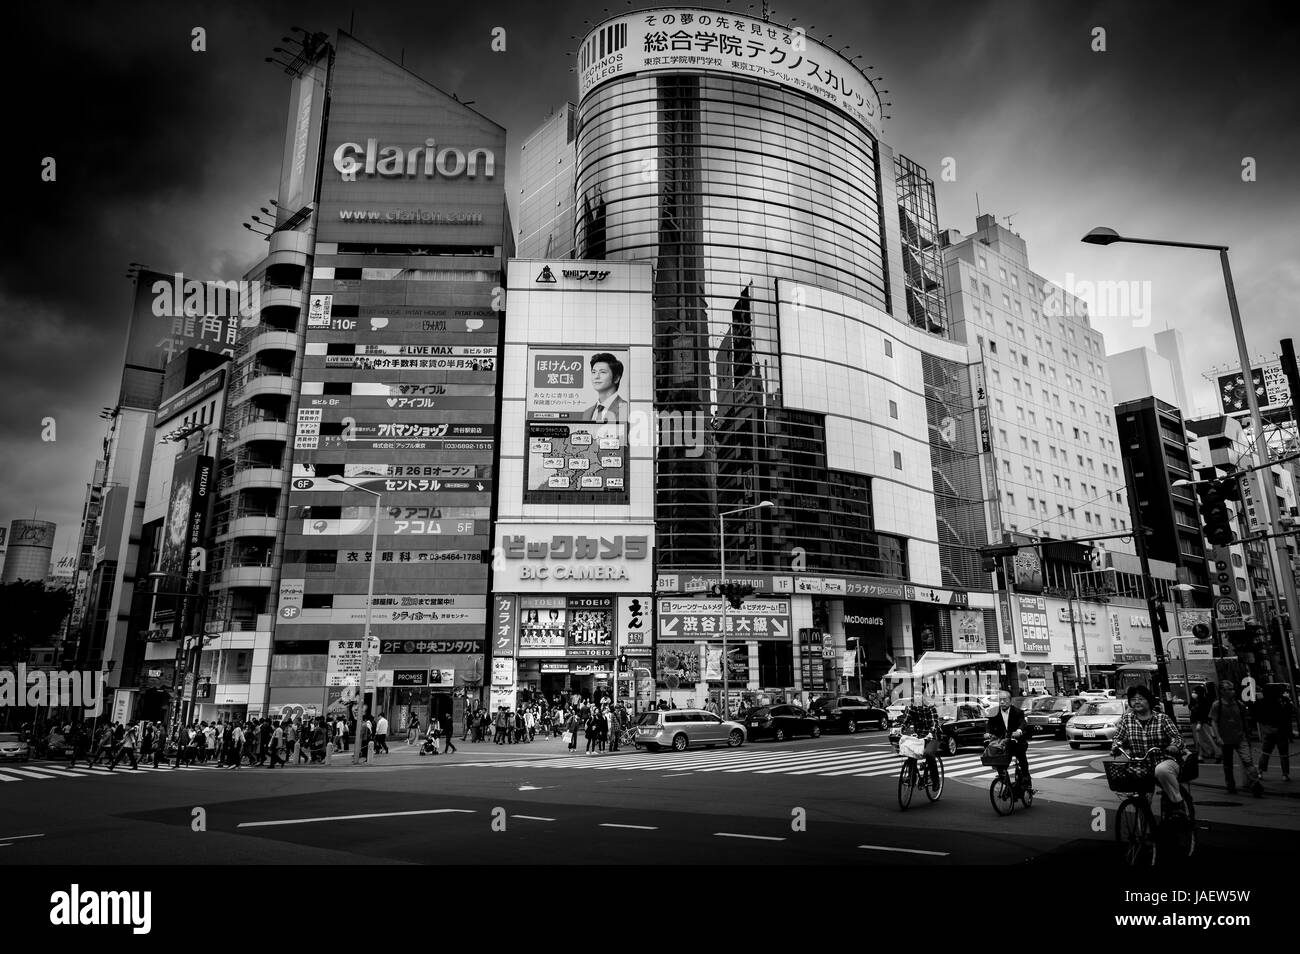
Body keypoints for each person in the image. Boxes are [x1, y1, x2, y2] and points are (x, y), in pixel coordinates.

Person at [1111, 685, 1190, 817]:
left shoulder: (1162, 718)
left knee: (1162, 770)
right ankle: (1144, 829)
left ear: (1149, 701)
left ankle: (1177, 803)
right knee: (1140, 798)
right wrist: (1116, 746)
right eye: (1133, 699)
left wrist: (1174, 746)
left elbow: (1177, 738)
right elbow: (1119, 738)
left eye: (1141, 699)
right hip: (1139, 764)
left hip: (1164, 760)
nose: (1137, 702)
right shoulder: (1127, 719)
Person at [1208, 680, 1263, 796]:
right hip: (1225, 739)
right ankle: (1230, 785)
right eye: (1230, 689)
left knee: (1248, 761)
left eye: (1233, 689)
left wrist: (1247, 736)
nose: (1233, 691)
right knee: (1228, 764)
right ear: (1222, 691)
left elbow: (1244, 721)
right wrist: (1217, 737)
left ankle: (1255, 783)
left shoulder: (1239, 704)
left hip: (1240, 737)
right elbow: (1214, 722)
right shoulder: (1217, 705)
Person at [984, 689, 1032, 789]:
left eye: (1005, 700)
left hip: (1016, 742)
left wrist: (1019, 731)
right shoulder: (994, 712)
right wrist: (988, 733)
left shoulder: (1017, 712)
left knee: (1021, 758)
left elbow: (1022, 723)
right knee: (999, 762)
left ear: (1010, 701)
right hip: (1002, 743)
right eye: (1000, 700)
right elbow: (989, 724)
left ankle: (1026, 779)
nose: (1002, 702)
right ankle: (1004, 779)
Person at [899, 690, 942, 790]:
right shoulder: (912, 708)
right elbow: (907, 720)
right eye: (915, 695)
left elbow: (935, 722)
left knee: (928, 754)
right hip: (920, 736)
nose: (917, 697)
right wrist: (901, 728)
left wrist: (931, 732)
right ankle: (912, 778)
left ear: (923, 696)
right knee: (910, 752)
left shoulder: (930, 707)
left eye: (919, 695)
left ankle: (936, 781)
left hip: (933, 736)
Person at [1256, 684, 1293, 782]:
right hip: (1281, 731)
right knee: (1283, 754)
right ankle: (1285, 774)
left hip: (1269, 731)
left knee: (1265, 753)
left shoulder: (1263, 703)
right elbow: (1287, 714)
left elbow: (1259, 717)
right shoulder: (1281, 701)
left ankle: (1260, 772)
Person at [582, 352, 627, 423]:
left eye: (602, 372)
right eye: (594, 372)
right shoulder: (587, 413)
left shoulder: (626, 409)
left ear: (616, 378)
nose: (596, 377)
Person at [1190, 685, 1220, 763]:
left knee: (1206, 738)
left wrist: (1200, 722)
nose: (1193, 694)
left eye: (1195, 692)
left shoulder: (1203, 701)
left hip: (1201, 722)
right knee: (1199, 740)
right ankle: (1201, 755)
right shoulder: (1194, 701)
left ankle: (1217, 753)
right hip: (1195, 722)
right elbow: (1191, 707)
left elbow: (1203, 712)